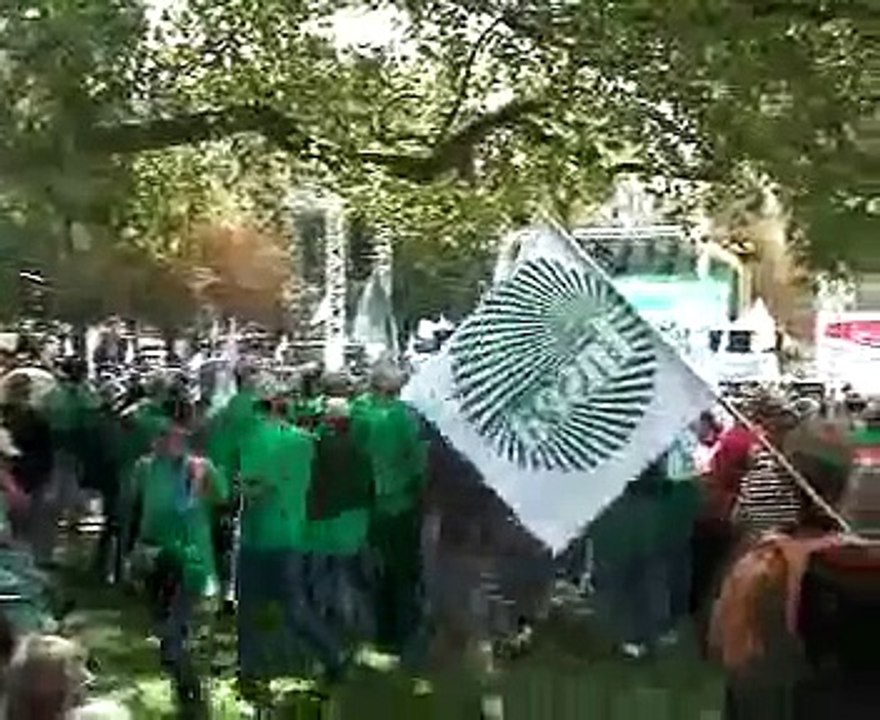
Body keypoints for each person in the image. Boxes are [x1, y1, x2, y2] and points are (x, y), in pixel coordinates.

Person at [709, 425, 878, 719]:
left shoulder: (762, 564)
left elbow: (730, 653)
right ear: (847, 484)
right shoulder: (853, 560)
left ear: (789, 487)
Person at [236, 388, 347, 707]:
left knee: (249, 607)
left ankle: (250, 669)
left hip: (260, 534)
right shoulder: (306, 442)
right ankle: (333, 656)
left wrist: (237, 486)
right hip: (293, 533)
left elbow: (257, 486)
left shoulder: (257, 438)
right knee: (295, 608)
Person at [123, 403, 227, 717]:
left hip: (189, 559)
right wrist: (134, 549)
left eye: (176, 438)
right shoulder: (144, 468)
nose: (169, 443)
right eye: (163, 437)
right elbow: (137, 507)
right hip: (154, 554)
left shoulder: (199, 467)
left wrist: (200, 483)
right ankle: (181, 677)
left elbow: (220, 497)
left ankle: (190, 691)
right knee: (161, 622)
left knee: (175, 625)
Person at [360, 363, 428, 663]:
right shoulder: (403, 418)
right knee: (404, 575)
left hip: (369, 507)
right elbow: (419, 462)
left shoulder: (358, 413)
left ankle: (382, 634)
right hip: (401, 506)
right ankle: (406, 638)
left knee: (377, 573)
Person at [1, 375, 54, 565]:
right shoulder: (33, 418)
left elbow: (45, 451)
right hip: (20, 476)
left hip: (25, 476)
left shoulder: (35, 418)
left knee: (22, 525)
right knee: (20, 526)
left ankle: (26, 560)